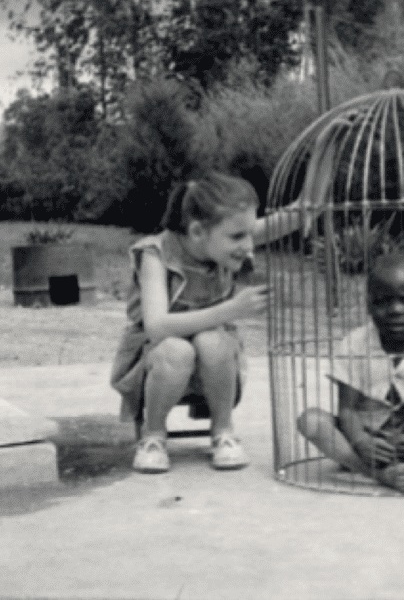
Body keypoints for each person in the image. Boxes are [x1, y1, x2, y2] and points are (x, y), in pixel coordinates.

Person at [111, 171, 308, 473]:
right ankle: (153, 437)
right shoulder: (155, 254)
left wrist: (325, 147)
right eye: (238, 237)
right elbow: (157, 327)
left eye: (251, 233)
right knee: (177, 350)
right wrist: (231, 309)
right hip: (153, 366)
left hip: (214, 369)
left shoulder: (223, 239)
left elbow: (305, 209)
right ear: (198, 231)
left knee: (213, 341)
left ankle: (223, 433)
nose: (250, 246)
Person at [297, 253, 404, 494]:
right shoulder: (354, 344)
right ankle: (377, 475)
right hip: (372, 448)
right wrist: (360, 441)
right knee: (311, 420)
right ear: (368, 304)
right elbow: (347, 409)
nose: (396, 310)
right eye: (383, 301)